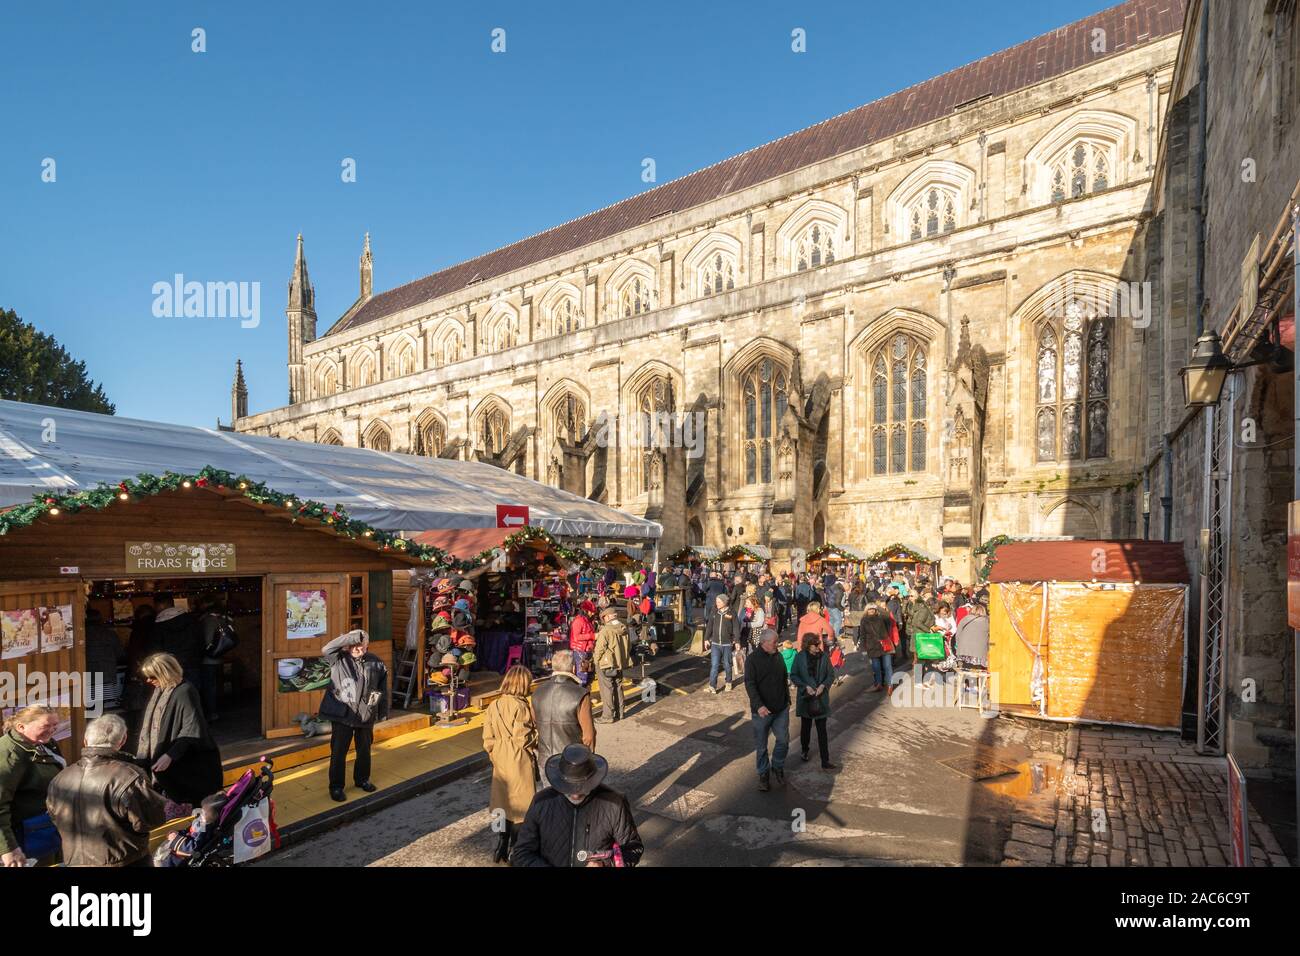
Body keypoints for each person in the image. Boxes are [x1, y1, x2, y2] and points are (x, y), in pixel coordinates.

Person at [47, 714, 167, 868]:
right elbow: (151, 820)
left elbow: (55, 818)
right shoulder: (129, 776)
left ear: (85, 741)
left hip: (75, 861)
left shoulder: (60, 779)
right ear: (123, 740)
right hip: (125, 862)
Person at [511, 744, 643, 867]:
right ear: (560, 780)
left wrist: (605, 864)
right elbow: (522, 852)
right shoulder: (541, 802)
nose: (575, 794)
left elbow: (633, 848)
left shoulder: (614, 804)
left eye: (582, 787)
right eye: (569, 788)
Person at [136, 652, 223, 813]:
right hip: (169, 763)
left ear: (165, 673)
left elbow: (192, 727)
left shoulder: (185, 691)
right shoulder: (160, 690)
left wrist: (170, 755)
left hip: (187, 766)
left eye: (152, 676)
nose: (148, 681)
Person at [317, 629, 388, 803]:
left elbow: (382, 689)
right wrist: (351, 637)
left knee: (364, 750)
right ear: (348, 645)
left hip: (365, 714)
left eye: (361, 645)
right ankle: (336, 787)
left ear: (367, 645)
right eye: (353, 645)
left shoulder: (376, 662)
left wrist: (382, 713)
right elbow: (326, 649)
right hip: (343, 714)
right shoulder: (338, 659)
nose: (357, 648)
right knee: (339, 752)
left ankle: (362, 779)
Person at [482, 665, 539, 863]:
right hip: (519, 760)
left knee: (502, 805)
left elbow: (487, 738)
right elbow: (523, 738)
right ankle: (516, 848)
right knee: (521, 810)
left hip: (499, 758)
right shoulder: (521, 706)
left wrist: (495, 753)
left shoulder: (493, 706)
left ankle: (500, 845)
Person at [0, 705, 65, 867]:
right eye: (45, 726)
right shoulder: (10, 757)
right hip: (26, 836)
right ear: (21, 727)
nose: (52, 730)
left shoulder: (45, 742)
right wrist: (9, 849)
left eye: (55, 725)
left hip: (46, 828)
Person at [744, 628, 791, 792]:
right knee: (761, 746)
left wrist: (787, 699)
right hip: (762, 711)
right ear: (764, 643)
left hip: (781, 708)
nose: (776, 645)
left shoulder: (777, 655)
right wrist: (759, 706)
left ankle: (777, 766)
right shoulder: (752, 660)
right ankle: (763, 774)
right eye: (774, 642)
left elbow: (784, 677)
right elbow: (750, 684)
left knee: (783, 741)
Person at [531, 650, 596, 768]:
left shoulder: (537, 692)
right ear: (573, 669)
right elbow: (589, 736)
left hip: (545, 760)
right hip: (572, 761)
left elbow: (534, 724)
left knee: (548, 787)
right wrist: (588, 761)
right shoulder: (580, 693)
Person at [790, 634, 837, 770]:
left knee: (822, 730)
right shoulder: (800, 657)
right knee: (805, 728)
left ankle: (825, 760)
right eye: (815, 645)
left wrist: (823, 686)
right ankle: (804, 750)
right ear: (808, 646)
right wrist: (805, 687)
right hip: (806, 698)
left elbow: (831, 674)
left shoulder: (824, 656)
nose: (818, 647)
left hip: (820, 699)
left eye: (819, 644)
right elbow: (794, 675)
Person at [195, 592, 237, 722]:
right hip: (219, 656)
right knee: (214, 685)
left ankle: (211, 713)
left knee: (208, 686)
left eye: (201, 603)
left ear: (206, 604)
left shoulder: (208, 619)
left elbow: (207, 640)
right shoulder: (224, 617)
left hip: (208, 658)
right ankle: (216, 710)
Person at [150, 595, 205, 689]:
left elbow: (156, 649)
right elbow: (201, 641)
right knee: (193, 694)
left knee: (174, 695)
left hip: (170, 667)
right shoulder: (191, 620)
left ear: (159, 605)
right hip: (192, 663)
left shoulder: (158, 626)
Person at [593, 606, 632, 724]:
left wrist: (596, 661)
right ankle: (620, 713)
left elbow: (599, 649)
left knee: (606, 690)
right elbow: (629, 646)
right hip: (619, 662)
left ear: (609, 616)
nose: (603, 620)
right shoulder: (624, 627)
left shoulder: (606, 630)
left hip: (606, 663)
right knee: (618, 687)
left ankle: (608, 716)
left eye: (604, 617)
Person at [84, 608, 125, 712]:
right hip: (105, 677)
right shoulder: (110, 634)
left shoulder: (81, 635)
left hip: (86, 676)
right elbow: (120, 654)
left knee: (88, 710)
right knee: (99, 709)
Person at [704, 593, 739, 694]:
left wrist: (737, 641)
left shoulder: (732, 612)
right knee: (714, 665)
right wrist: (706, 639)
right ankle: (712, 686)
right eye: (716, 601)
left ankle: (728, 682)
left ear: (724, 602)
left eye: (719, 602)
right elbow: (709, 625)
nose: (717, 603)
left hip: (727, 644)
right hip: (715, 644)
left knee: (727, 665)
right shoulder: (714, 611)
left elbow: (736, 627)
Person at [858, 605, 895, 694]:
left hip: (885, 644)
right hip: (872, 646)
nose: (871, 610)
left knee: (888, 666)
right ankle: (879, 684)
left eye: (873, 609)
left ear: (876, 610)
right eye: (869, 609)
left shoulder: (882, 617)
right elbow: (862, 635)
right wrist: (863, 648)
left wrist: (879, 607)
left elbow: (889, 620)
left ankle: (890, 685)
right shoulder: (864, 620)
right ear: (866, 610)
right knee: (876, 667)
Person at [568, 600, 598, 687]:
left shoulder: (586, 620)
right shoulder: (579, 621)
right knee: (582, 677)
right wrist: (593, 636)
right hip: (580, 651)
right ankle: (581, 697)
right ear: (585, 611)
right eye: (591, 612)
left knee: (588, 676)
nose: (592, 614)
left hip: (587, 651)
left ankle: (586, 696)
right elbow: (577, 637)